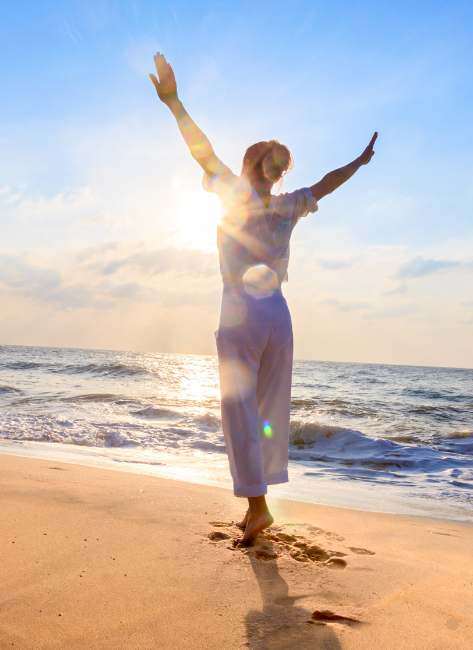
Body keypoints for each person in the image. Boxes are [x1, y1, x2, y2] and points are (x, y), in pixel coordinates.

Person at [149, 52, 377, 546]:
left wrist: (173, 102)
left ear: (251, 164)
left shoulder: (235, 192)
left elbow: (200, 150)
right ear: (276, 170)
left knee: (239, 409)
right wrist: (359, 162)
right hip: (279, 314)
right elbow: (328, 183)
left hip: (240, 309)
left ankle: (257, 508)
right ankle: (261, 501)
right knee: (271, 410)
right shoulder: (288, 203)